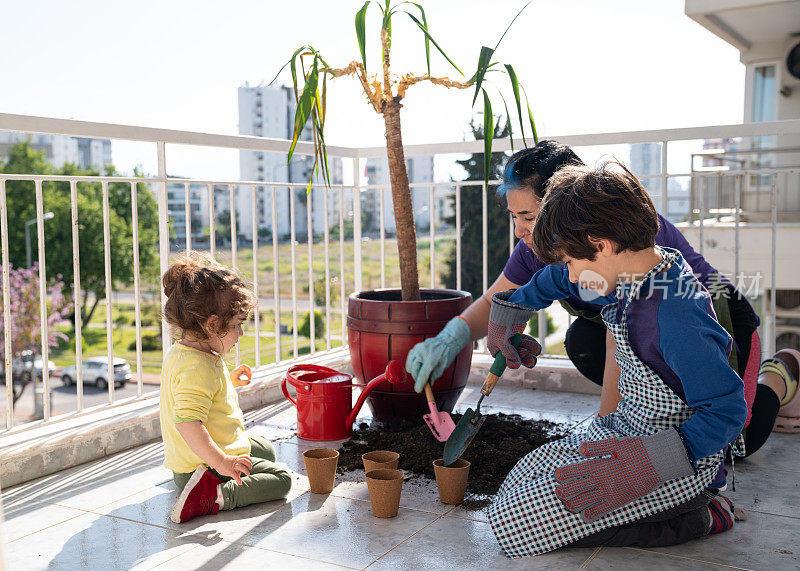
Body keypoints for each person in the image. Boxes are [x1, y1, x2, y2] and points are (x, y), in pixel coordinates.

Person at [405, 139, 800, 454]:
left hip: (715, 322)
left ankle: (780, 373)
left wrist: (605, 434)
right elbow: (499, 299)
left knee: (735, 440)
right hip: (648, 340)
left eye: (529, 217)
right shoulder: (536, 246)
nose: (521, 231)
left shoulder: (625, 235)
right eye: (514, 217)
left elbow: (626, 331)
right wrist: (450, 339)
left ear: (569, 203)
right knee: (584, 342)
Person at [485, 162, 747, 557]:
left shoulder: (677, 316)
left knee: (516, 523)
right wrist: (511, 312)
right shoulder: (634, 270)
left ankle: (701, 513)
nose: (572, 275)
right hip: (629, 430)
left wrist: (646, 466)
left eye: (573, 261)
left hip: (674, 460)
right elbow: (556, 279)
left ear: (601, 244)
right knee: (519, 483)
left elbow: (727, 411)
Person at [159, 253, 292, 524]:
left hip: (190, 461)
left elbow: (196, 397)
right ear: (211, 324)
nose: (241, 334)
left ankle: (196, 480)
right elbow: (187, 422)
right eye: (236, 325)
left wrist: (226, 382)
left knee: (264, 449)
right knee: (282, 480)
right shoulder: (200, 368)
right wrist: (222, 463)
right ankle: (216, 494)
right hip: (205, 464)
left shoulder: (184, 354)